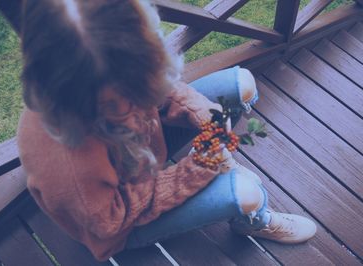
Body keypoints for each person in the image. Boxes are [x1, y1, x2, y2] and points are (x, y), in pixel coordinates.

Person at [17, 0, 316, 262]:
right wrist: (200, 167)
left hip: (147, 157)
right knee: (247, 193)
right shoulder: (66, 168)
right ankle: (252, 219)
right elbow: (111, 221)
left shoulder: (108, 67)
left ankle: (219, 167)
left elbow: (160, 89)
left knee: (242, 85)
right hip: (125, 224)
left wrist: (202, 114)